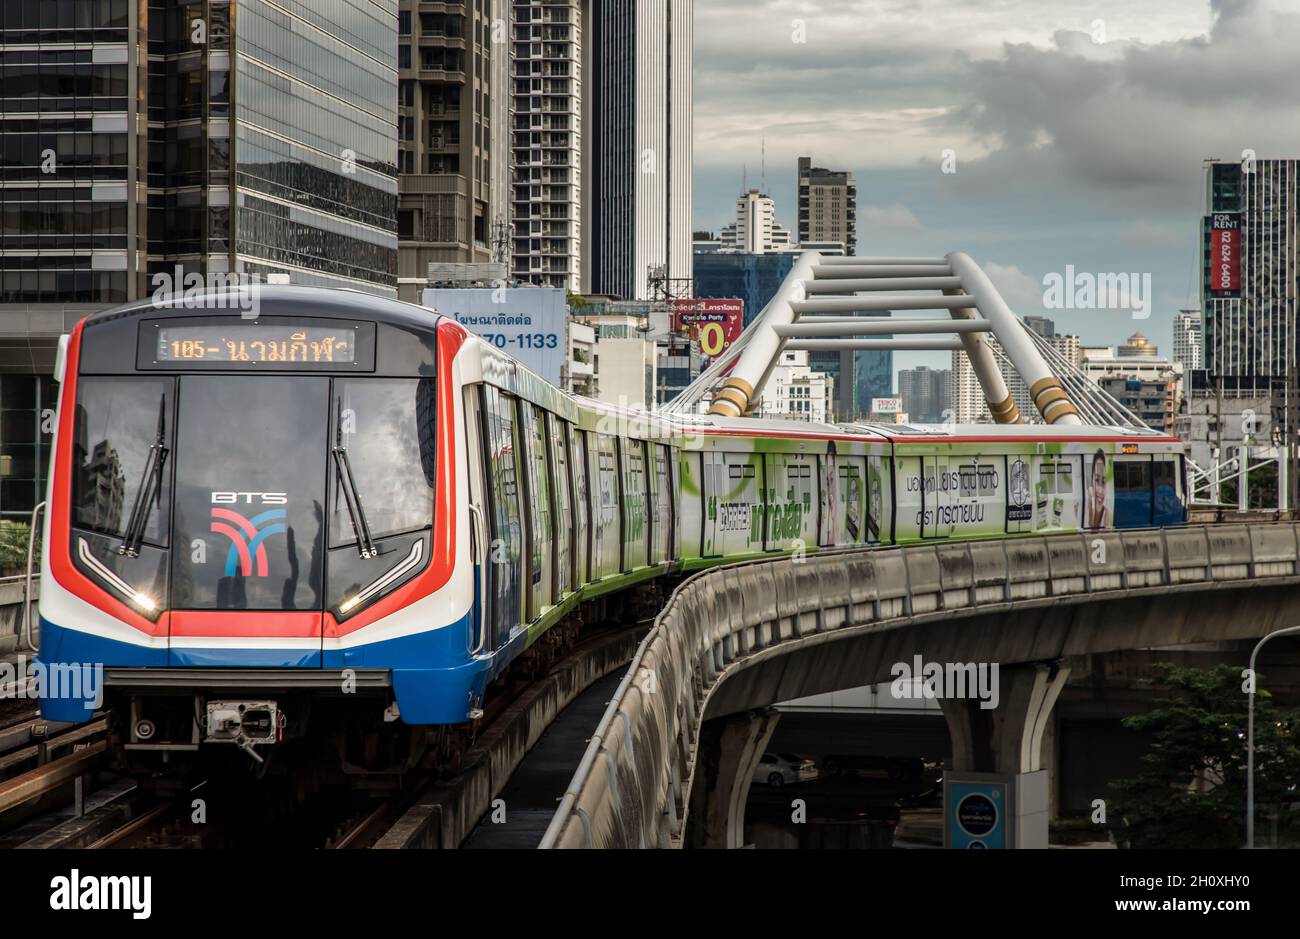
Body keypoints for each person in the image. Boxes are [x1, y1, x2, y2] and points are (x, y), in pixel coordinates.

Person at [1086, 449, 1109, 529]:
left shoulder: (1106, 515)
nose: (1100, 490)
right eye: (1096, 480)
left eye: (1103, 482)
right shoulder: (1081, 511)